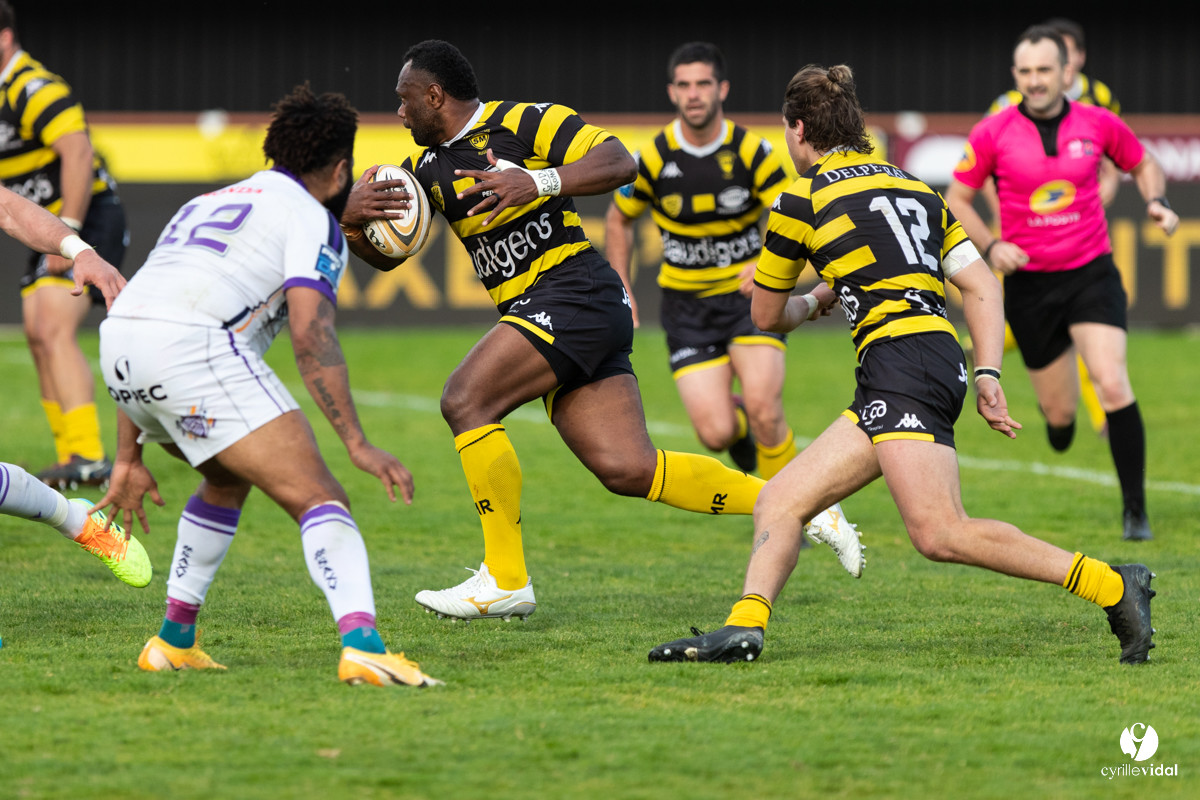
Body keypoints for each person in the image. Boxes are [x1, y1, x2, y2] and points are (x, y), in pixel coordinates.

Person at [339, 40, 866, 624]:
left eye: (406, 99)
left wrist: (537, 182)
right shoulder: (423, 171)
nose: (400, 111)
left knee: (465, 400)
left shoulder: (525, 121)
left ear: (435, 95)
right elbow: (387, 259)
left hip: (573, 293)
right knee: (628, 469)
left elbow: (619, 162)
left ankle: (505, 578)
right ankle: (802, 500)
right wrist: (351, 221)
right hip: (560, 311)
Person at [649, 63, 1155, 667]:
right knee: (780, 500)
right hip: (924, 357)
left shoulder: (801, 198)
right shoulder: (916, 187)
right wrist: (988, 373)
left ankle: (1113, 585)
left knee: (940, 532)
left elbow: (765, 315)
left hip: (901, 361)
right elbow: (981, 285)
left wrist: (811, 301)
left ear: (799, 129)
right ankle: (744, 629)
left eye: (788, 130)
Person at [90, 84, 440, 688]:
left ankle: (172, 642)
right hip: (193, 352)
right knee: (321, 496)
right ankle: (364, 648)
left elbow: (147, 313)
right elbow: (311, 334)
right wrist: (357, 444)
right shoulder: (310, 219)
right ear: (340, 169)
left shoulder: (203, 203)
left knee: (226, 477)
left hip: (120, 347)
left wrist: (128, 455)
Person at [603, 42, 858, 563]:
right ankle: (742, 434)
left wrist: (765, 262)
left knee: (766, 407)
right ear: (672, 92)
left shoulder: (751, 152)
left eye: (703, 83)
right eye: (684, 85)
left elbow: (796, 209)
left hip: (748, 302)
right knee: (716, 431)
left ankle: (797, 513)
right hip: (686, 309)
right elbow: (618, 218)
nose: (693, 94)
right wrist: (621, 284)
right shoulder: (652, 156)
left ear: (721, 89)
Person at [946, 26, 1178, 542]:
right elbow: (956, 198)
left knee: (1112, 381)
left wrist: (1157, 201)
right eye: (1026, 72)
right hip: (1029, 286)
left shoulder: (1099, 121)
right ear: (1015, 75)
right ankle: (1059, 422)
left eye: (1045, 70)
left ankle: (1135, 511)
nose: (1035, 81)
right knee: (1060, 415)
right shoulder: (993, 132)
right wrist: (991, 246)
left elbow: (1143, 164)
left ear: (1066, 72)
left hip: (1091, 273)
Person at [0, 1, 130, 490]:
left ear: (5, 38)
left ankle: (90, 458)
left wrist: (70, 231)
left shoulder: (32, 87)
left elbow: (78, 152)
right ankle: (69, 457)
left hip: (85, 216)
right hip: (42, 224)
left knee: (53, 326)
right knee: (37, 332)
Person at [0, 183, 150, 593]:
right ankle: (75, 513)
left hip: (84, 215)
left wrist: (79, 250)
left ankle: (78, 511)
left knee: (50, 331)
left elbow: (8, 208)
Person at [977, 17, 1122, 437]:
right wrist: (1000, 223)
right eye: (1031, 67)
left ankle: (1102, 415)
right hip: (1025, 234)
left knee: (1089, 323)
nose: (1040, 74)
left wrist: (1108, 185)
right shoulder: (1008, 105)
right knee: (1030, 315)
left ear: (1074, 60)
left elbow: (1113, 155)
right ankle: (997, 355)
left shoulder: (1100, 99)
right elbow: (980, 168)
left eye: (1061, 55)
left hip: (1079, 230)